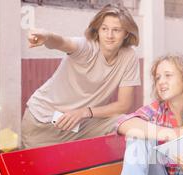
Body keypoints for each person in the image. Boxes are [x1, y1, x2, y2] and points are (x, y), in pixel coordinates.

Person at [21, 3, 141, 149]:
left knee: (121, 122)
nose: (109, 35)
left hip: (81, 123)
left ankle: (170, 136)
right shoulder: (86, 47)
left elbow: (123, 105)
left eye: (116, 30)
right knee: (40, 171)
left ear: (126, 33)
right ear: (98, 30)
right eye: (104, 29)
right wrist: (47, 36)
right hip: (42, 122)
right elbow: (64, 42)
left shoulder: (129, 56)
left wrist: (85, 112)